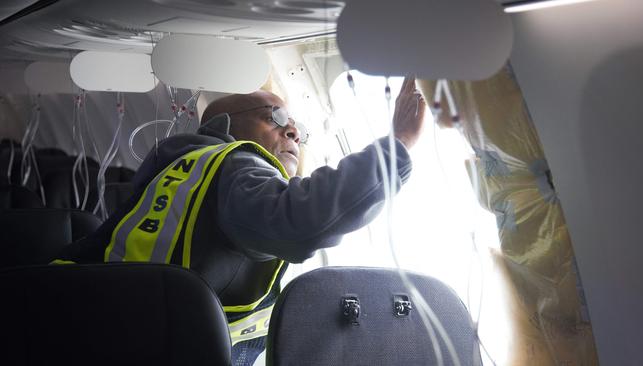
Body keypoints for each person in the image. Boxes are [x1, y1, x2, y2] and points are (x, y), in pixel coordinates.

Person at [56, 76, 426, 365]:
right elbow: (298, 219)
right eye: (275, 118)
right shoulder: (235, 163)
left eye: (298, 127)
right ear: (223, 125)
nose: (293, 131)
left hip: (99, 335)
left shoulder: (181, 168)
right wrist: (399, 145)